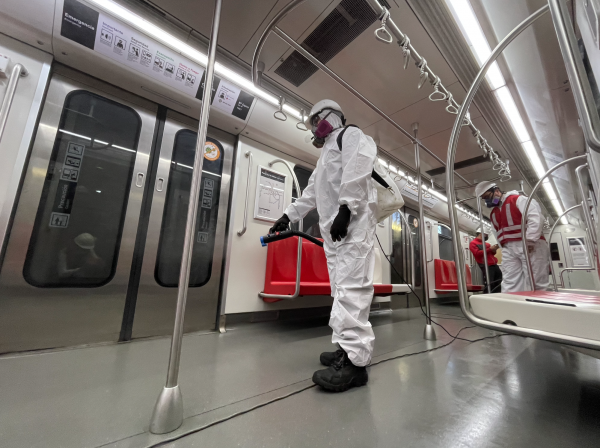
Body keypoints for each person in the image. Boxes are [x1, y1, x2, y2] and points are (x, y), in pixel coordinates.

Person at [270, 99, 377, 392]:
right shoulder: (326, 155)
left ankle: (356, 365)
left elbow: (358, 169)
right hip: (335, 235)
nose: (314, 129)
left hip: (353, 229)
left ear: (328, 116)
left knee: (352, 290)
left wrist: (346, 208)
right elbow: (311, 194)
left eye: (315, 122)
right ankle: (346, 347)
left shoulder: (350, 136)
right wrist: (287, 217)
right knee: (341, 291)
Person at [475, 181, 549, 292]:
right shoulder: (494, 213)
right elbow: (497, 233)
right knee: (510, 279)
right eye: (484, 198)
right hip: (508, 248)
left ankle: (540, 306)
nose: (487, 201)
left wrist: (530, 240)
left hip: (528, 244)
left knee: (535, 279)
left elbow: (536, 218)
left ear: (497, 191)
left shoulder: (519, 200)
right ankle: (512, 306)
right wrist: (503, 248)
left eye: (487, 197)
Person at [469, 227, 502, 293]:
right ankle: (487, 296)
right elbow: (477, 253)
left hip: (494, 264)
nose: (486, 237)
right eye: (486, 235)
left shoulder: (487, 244)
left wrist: (494, 249)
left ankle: (498, 295)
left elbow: (492, 254)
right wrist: (490, 249)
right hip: (485, 265)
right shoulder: (473, 243)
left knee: (499, 281)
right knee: (490, 283)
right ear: (481, 234)